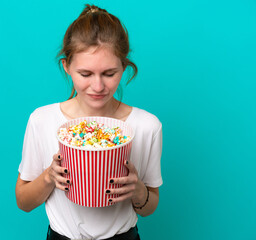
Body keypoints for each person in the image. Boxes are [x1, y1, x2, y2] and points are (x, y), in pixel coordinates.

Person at [15, 4, 163, 240]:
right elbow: (23, 202)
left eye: (109, 73)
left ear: (124, 68)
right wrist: (48, 177)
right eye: (85, 74)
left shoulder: (147, 126)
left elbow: (149, 207)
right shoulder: (42, 120)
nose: (97, 86)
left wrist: (138, 191)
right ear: (67, 67)